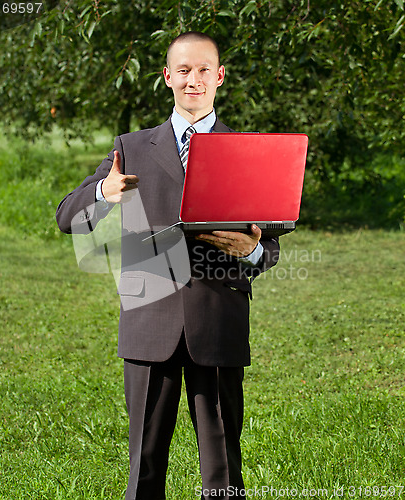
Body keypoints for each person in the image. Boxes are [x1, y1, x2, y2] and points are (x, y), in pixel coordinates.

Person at [56, 31, 280, 500]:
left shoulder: (249, 151)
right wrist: (103, 193)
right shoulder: (132, 147)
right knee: (145, 467)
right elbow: (68, 217)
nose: (193, 79)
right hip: (148, 317)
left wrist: (252, 251)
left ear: (219, 77)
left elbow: (270, 244)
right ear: (166, 77)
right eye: (183, 70)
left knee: (224, 472)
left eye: (203, 70)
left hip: (218, 320)